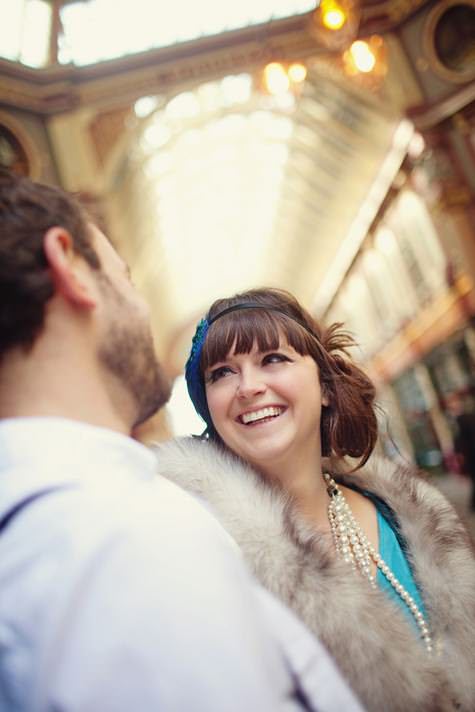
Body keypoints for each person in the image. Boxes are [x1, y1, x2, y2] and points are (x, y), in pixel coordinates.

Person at [0, 171, 362, 712]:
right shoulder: (125, 543)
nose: (142, 309)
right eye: (124, 276)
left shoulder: (64, 528)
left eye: (274, 360)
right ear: (69, 266)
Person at [154, 287, 475, 712]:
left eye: (272, 359)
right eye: (221, 373)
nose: (248, 387)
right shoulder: (198, 549)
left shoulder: (410, 516)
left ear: (325, 387)